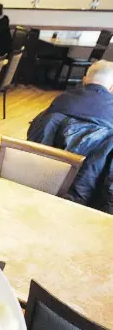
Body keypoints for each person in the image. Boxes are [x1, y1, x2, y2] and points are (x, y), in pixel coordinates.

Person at [27, 60, 113, 214]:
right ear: (112, 88)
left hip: (42, 184)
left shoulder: (61, 101)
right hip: (89, 200)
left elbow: (33, 142)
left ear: (84, 80)